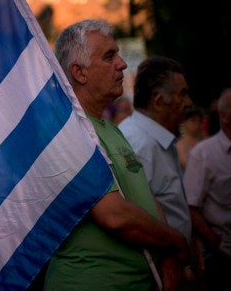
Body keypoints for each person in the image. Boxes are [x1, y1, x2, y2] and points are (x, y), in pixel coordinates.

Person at [45, 19, 190, 290]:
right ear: (80, 72)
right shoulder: (67, 131)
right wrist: (176, 241)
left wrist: (168, 258)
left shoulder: (113, 130)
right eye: (109, 56)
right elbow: (115, 216)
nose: (122, 64)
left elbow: (146, 198)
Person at [118, 56, 193, 244]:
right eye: (182, 94)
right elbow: (135, 222)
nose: (188, 103)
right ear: (158, 102)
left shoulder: (156, 139)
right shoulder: (139, 145)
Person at [184, 88, 231, 290]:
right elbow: (191, 208)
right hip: (223, 258)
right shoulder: (203, 154)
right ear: (223, 116)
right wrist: (218, 245)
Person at [177, 107, 205, 172]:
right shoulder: (179, 144)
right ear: (184, 122)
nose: (197, 123)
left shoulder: (204, 141)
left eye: (199, 121)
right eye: (193, 120)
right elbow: (185, 163)